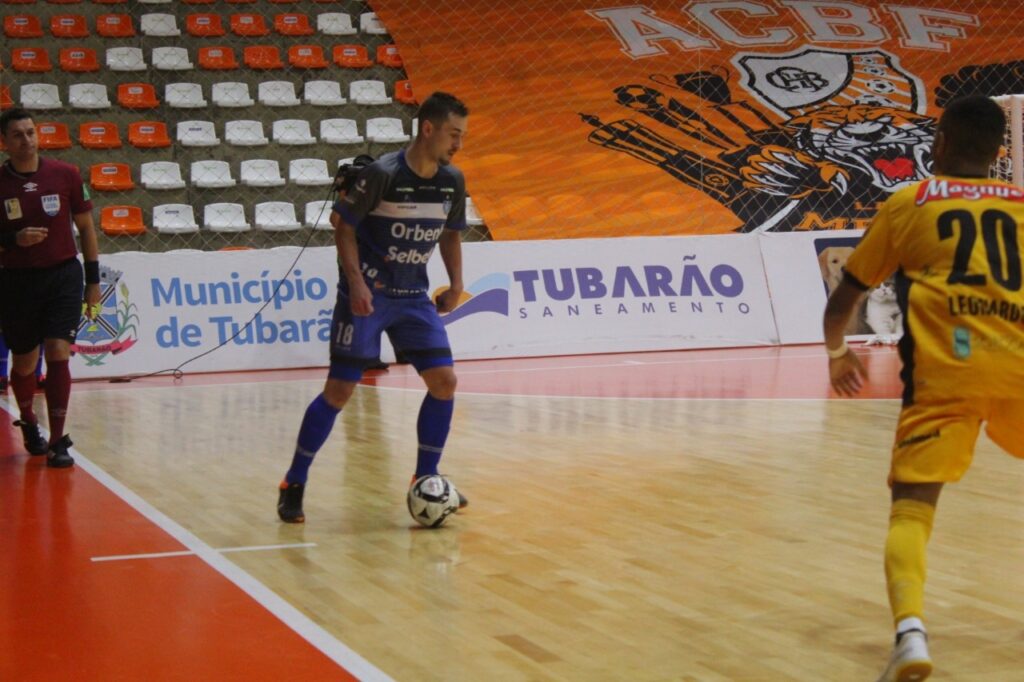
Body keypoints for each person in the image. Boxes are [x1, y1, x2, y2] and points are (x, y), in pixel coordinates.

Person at [823, 95, 1024, 682]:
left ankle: (910, 636)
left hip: (946, 378)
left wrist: (837, 353)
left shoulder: (909, 203)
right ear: (999, 151)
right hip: (1019, 369)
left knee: (911, 511)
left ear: (938, 143)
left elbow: (846, 298)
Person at [277, 92, 470, 523]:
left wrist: (456, 285)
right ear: (428, 129)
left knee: (444, 381)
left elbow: (451, 234)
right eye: (454, 135)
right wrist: (357, 284)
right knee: (340, 391)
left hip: (413, 297)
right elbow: (344, 228)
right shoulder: (383, 175)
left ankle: (426, 479)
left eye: (462, 136)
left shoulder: (452, 181)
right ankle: (294, 481)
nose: (458, 144)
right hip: (368, 296)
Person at [0, 108, 101, 468]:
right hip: (15, 281)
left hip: (62, 275)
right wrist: (14, 239)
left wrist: (93, 280)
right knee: (25, 362)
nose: (26, 140)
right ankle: (29, 421)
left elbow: (87, 229)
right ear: (5, 142)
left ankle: (59, 439)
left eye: (31, 132)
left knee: (59, 350)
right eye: (18, 135)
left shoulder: (66, 174)